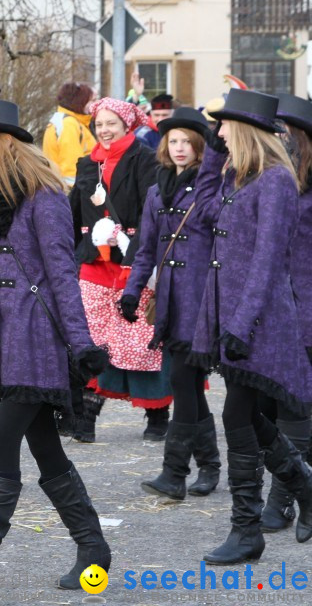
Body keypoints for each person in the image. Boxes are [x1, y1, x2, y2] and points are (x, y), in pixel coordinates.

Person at [0, 98, 110, 602]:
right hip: (6, 347)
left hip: (39, 346)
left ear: (2, 143)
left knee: (4, 444)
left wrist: (82, 345)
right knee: (46, 451)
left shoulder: (44, 196)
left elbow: (60, 276)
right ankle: (94, 551)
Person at [191, 89, 312, 565]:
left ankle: (247, 529)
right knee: (245, 416)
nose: (216, 132)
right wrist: (213, 157)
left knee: (237, 416)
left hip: (261, 321)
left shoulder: (278, 182)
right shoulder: (236, 177)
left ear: (244, 129)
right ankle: (301, 485)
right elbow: (200, 213)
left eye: (223, 127)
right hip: (227, 313)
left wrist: (241, 325)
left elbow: (268, 263)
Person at [122, 107, 222, 500]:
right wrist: (132, 291)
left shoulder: (210, 188)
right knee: (189, 385)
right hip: (169, 301)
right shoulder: (155, 189)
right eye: (173, 141)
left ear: (200, 147)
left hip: (200, 301)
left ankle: (175, 472)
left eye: (187, 141)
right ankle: (209, 465)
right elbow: (146, 249)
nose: (179, 148)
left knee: (184, 381)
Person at [69, 97, 164, 443]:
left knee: (141, 340)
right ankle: (86, 414)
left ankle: (158, 411)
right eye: (99, 124)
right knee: (93, 338)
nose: (104, 130)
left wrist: (134, 260)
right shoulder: (85, 164)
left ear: (127, 125)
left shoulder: (145, 160)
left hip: (134, 260)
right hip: (94, 262)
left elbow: (149, 215)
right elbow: (74, 213)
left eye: (111, 123)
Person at [257, 93, 312, 533]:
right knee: (275, 408)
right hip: (278, 309)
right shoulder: (269, 181)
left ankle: (283, 499)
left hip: (307, 309)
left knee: (297, 408)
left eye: (286, 134)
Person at [42, 82, 96, 187]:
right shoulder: (69, 124)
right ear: (80, 101)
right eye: (92, 100)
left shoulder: (68, 121)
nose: (95, 104)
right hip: (70, 192)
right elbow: (71, 169)